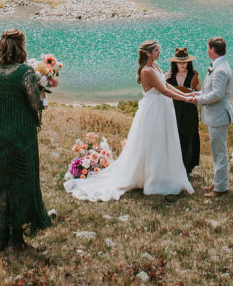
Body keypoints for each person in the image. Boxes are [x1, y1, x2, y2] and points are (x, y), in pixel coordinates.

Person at [65, 41, 194, 201]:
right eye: (156, 50)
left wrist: (187, 95)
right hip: (154, 110)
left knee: (162, 142)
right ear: (148, 53)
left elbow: (166, 85)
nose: (159, 52)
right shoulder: (148, 71)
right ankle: (154, 180)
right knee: (154, 143)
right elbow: (164, 90)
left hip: (162, 108)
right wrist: (185, 99)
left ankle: (163, 175)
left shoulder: (156, 67)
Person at [0, 29, 51, 250]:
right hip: (20, 134)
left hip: (0, 132)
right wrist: (41, 93)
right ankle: (17, 236)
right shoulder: (24, 72)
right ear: (20, 47)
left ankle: (2, 235)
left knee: (5, 184)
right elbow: (34, 102)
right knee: (23, 183)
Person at [187, 37, 233, 198]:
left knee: (219, 151)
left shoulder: (220, 69)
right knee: (216, 151)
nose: (207, 51)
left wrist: (198, 100)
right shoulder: (219, 65)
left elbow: (217, 94)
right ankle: (218, 181)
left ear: (213, 50)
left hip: (219, 116)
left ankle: (221, 188)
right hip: (216, 116)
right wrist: (198, 93)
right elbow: (210, 89)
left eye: (208, 48)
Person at [166, 47, 201, 176]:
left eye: (184, 62)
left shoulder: (194, 75)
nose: (182, 64)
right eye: (179, 62)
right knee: (174, 136)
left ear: (188, 62)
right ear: (175, 62)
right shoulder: (169, 75)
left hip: (189, 109)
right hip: (173, 108)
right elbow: (163, 90)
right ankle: (174, 166)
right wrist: (163, 78)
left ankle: (187, 167)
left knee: (189, 136)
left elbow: (199, 91)